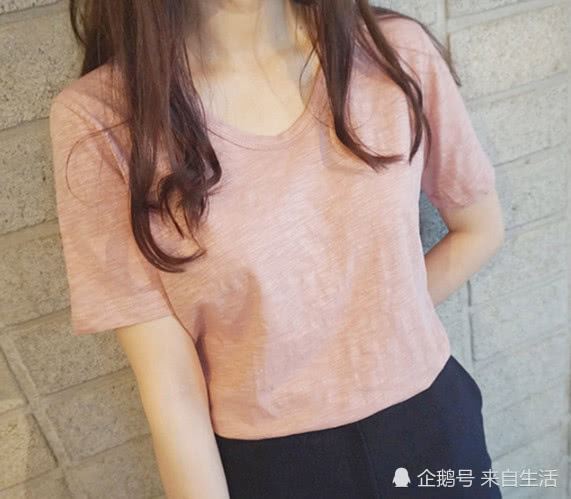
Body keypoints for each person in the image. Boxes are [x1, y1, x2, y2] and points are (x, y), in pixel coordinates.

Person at [49, 1, 505, 497]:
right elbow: (172, 391)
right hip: (270, 465)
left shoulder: (393, 51)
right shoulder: (103, 123)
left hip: (433, 427)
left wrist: (371, 330)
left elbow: (479, 229)